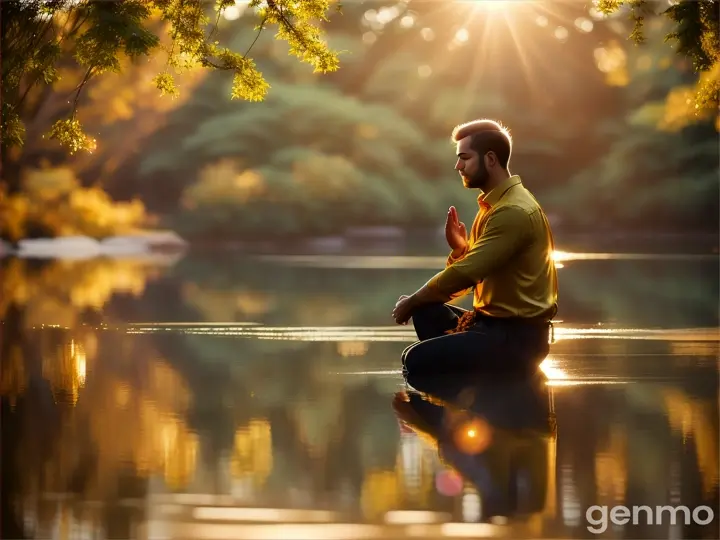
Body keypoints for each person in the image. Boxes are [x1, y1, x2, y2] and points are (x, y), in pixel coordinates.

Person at [392, 119, 558, 375]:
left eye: (464, 157)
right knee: (425, 313)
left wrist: (411, 300)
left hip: (516, 340)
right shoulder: (494, 206)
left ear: (490, 159)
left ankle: (469, 397)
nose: (458, 165)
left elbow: (467, 274)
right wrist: (460, 251)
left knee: (414, 360)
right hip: (487, 326)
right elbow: (470, 279)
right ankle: (464, 392)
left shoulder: (512, 211)